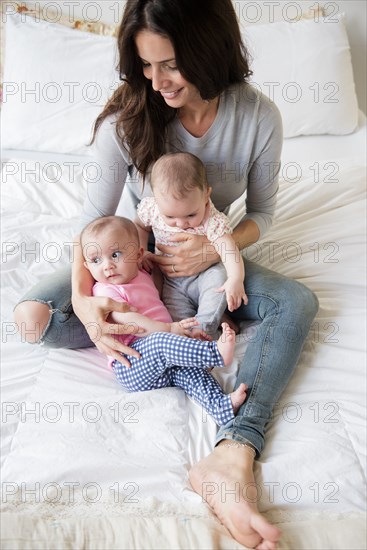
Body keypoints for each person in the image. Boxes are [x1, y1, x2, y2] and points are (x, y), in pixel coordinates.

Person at [14, 1, 319, 547]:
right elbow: (92, 221)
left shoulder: (257, 117)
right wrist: (86, 298)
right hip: (131, 263)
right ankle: (138, 331)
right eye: (146, 66)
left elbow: (263, 216)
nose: (157, 82)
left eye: (171, 64)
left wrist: (212, 253)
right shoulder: (128, 118)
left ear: (210, 50)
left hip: (203, 264)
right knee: (31, 317)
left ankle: (232, 453)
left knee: (296, 302)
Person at [81, 215, 248, 425]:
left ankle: (221, 406)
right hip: (132, 363)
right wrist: (169, 328)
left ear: (139, 254)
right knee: (161, 341)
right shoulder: (104, 290)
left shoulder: (141, 273)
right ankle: (213, 354)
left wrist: (187, 337)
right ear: (87, 266)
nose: (107, 266)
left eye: (115, 255)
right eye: (96, 260)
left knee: (190, 374)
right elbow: (131, 322)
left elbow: (159, 290)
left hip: (162, 365)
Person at [135, 151, 248, 337]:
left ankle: (204, 328)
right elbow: (139, 226)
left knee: (218, 284)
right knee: (173, 314)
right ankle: (191, 334)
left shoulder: (212, 219)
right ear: (155, 199)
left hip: (205, 273)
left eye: (190, 215)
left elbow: (228, 249)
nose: (181, 224)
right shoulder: (152, 210)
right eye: (170, 217)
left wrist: (236, 278)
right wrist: (142, 251)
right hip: (171, 280)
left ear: (206, 196)